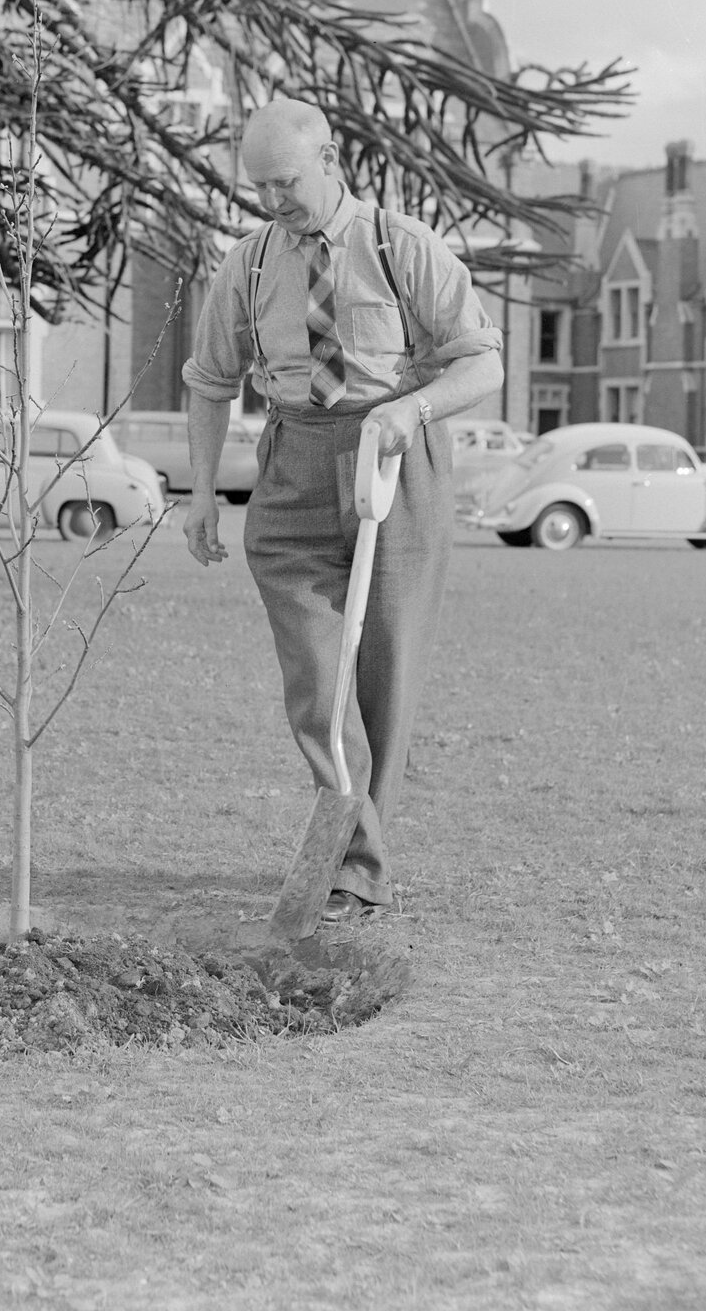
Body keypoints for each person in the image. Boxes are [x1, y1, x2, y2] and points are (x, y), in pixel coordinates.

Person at [182, 98, 504, 923]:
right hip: (293, 466)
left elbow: (481, 365)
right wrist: (203, 497)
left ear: (330, 161)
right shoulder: (248, 265)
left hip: (397, 463)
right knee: (319, 686)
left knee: (384, 677)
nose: (271, 202)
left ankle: (353, 865)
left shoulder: (403, 247)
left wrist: (414, 411)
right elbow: (210, 380)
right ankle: (356, 863)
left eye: (284, 183)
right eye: (258, 188)